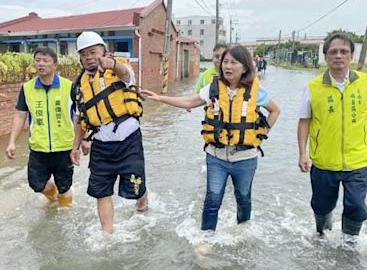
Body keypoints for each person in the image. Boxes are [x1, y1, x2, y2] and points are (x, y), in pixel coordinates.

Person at [142, 45, 280, 231]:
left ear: (245, 67)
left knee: (244, 197)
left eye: (233, 62)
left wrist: (261, 135)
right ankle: (206, 238)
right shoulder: (212, 88)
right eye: (225, 62)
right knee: (212, 199)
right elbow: (189, 102)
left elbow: (275, 110)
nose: (227, 66)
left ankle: (243, 231)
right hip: (216, 156)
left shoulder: (256, 90)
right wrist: (160, 98)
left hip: (246, 158)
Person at [297, 33, 367, 247]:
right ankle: (322, 238)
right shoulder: (313, 87)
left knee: (357, 206)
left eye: (344, 52)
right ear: (325, 57)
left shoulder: (366, 82)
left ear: (351, 56)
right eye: (333, 52)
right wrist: (303, 153)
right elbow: (304, 121)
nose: (339, 56)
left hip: (358, 159)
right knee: (321, 206)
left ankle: (349, 244)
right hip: (324, 161)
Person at [70, 31, 148, 234]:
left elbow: (127, 76)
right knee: (101, 191)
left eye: (93, 52)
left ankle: (142, 204)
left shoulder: (119, 67)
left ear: (104, 51)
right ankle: (107, 232)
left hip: (128, 141)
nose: (89, 57)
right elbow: (80, 118)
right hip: (101, 145)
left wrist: (112, 64)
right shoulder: (78, 87)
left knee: (135, 186)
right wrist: (75, 146)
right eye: (84, 54)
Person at [5, 47, 75, 207]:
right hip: (39, 147)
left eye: (45, 60)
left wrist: (81, 141)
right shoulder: (27, 88)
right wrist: (12, 142)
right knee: (36, 184)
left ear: (55, 65)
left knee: (65, 185)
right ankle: (53, 197)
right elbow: (20, 115)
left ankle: (64, 213)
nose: (40, 64)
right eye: (38, 60)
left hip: (64, 147)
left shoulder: (68, 87)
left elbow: (80, 116)